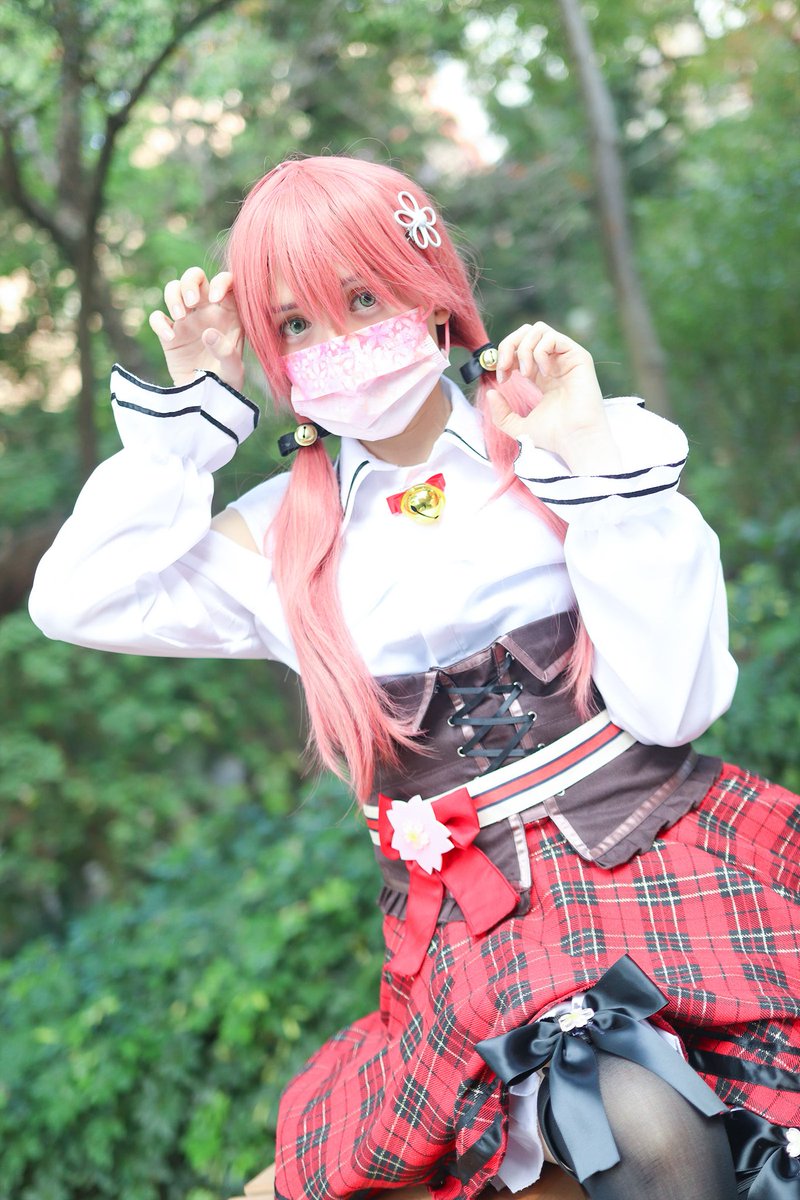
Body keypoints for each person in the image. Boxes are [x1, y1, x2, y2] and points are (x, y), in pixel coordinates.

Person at [28, 155, 800, 1200]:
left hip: (669, 857)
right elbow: (73, 599)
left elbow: (677, 707)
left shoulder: (568, 453)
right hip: (482, 927)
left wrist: (586, 460)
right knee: (641, 1130)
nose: (340, 344)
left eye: (362, 298)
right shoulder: (276, 541)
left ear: (429, 294)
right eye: (296, 324)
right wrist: (189, 427)